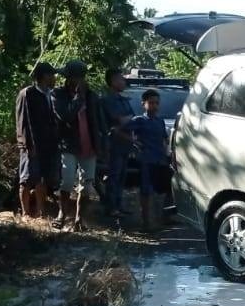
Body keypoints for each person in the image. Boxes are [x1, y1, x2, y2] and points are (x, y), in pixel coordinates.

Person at [52, 60, 105, 232]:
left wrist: (102, 143)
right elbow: (65, 116)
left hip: (89, 146)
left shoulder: (92, 96)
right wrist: (78, 98)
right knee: (66, 182)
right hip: (68, 145)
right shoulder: (58, 94)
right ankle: (62, 214)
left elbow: (98, 121)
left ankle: (78, 219)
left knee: (87, 185)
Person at [15, 61, 59, 218]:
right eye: (52, 75)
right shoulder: (27, 94)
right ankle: (25, 213)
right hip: (31, 146)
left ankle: (41, 212)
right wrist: (28, 145)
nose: (55, 78)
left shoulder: (49, 95)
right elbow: (23, 122)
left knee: (42, 180)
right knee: (26, 180)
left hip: (46, 145)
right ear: (45, 76)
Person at [126, 89, 170, 232]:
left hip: (160, 160)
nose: (154, 106)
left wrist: (167, 155)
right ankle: (146, 223)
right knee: (146, 191)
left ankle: (159, 220)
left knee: (160, 191)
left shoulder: (160, 121)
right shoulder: (138, 120)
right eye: (151, 103)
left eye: (157, 103)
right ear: (143, 104)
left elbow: (164, 139)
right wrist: (134, 143)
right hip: (145, 160)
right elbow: (120, 131)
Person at [100, 68, 136, 219]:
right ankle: (111, 207)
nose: (124, 81)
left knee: (121, 176)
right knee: (114, 176)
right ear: (113, 81)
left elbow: (131, 119)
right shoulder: (108, 100)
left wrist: (127, 120)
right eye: (121, 79)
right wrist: (126, 120)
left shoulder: (123, 99)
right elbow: (119, 121)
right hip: (113, 144)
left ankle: (119, 205)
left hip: (125, 144)